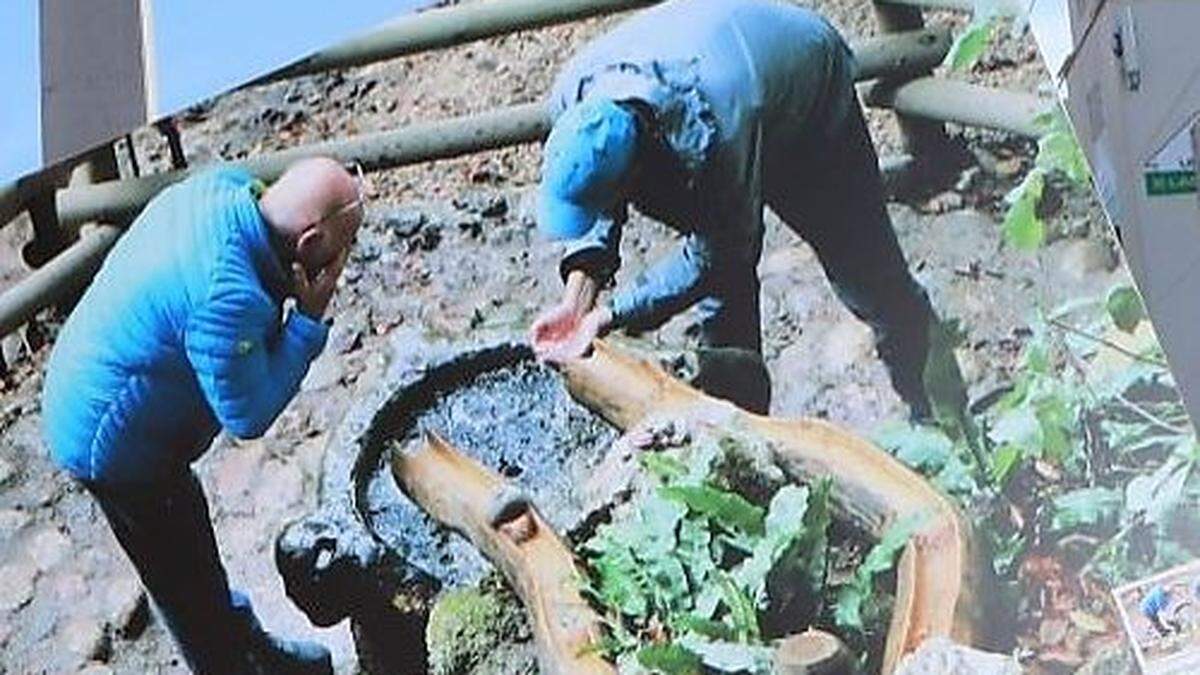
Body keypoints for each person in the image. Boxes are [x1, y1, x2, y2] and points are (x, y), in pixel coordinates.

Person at [529, 0, 966, 419]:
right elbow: (600, 195)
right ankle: (741, 451)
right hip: (718, 78)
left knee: (870, 276)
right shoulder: (574, 98)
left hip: (807, 101)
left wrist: (612, 313)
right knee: (722, 311)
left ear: (635, 171)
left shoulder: (712, 132)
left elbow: (716, 254)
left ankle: (944, 417)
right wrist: (577, 301)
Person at [41, 157, 365, 674]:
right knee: (180, 576)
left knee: (190, 542)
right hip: (109, 442)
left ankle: (247, 644)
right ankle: (225, 664)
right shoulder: (227, 294)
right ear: (309, 244)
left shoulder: (228, 187)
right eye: (346, 240)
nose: (348, 252)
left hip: (94, 377)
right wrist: (305, 321)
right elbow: (249, 413)